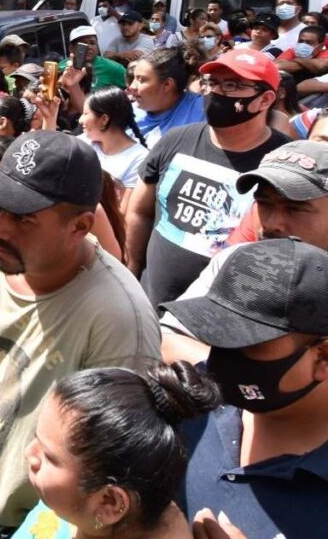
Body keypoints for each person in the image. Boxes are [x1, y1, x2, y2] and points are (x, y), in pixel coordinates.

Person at [0, 131, 160, 538]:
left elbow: (110, 459)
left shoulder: (118, 318)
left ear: (81, 226)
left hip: (27, 524)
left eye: (24, 217)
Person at [160, 238, 328, 539]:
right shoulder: (194, 401)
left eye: (249, 343)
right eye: (218, 336)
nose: (224, 358)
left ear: (323, 356)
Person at [126, 48, 291, 307]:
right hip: (150, 305)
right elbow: (140, 211)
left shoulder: (283, 163)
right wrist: (133, 269)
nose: (216, 92)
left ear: (265, 99)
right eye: (212, 82)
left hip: (221, 319)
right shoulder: (176, 139)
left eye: (232, 85)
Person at [159, 140, 328, 364]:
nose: (272, 223)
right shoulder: (240, 261)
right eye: (264, 204)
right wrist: (245, 381)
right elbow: (168, 339)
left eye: (295, 209)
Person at [13, 361, 219, 538]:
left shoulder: (82, 512)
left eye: (49, 457)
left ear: (110, 502)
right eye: (36, 439)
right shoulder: (81, 510)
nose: (30, 454)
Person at [80, 87, 150, 211]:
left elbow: (123, 214)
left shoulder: (139, 158)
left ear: (104, 119)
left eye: (85, 114)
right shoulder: (84, 142)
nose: (80, 120)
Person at [132, 48, 207, 145]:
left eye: (141, 80)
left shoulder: (202, 110)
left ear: (167, 84)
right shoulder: (125, 113)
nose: (132, 87)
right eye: (134, 78)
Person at [58, 26, 127, 92]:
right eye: (83, 44)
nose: (89, 47)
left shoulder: (114, 68)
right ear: (71, 48)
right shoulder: (61, 68)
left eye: (92, 43)